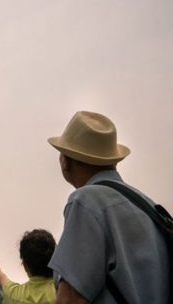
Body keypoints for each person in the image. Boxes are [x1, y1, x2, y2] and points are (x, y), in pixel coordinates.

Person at [48, 111, 170, 303]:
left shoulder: (86, 201)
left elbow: (70, 299)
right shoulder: (151, 208)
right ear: (113, 162)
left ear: (65, 161)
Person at [0, 229, 56, 304]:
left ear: (25, 265)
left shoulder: (14, 295)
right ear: (54, 259)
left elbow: (0, 278)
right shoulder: (62, 292)